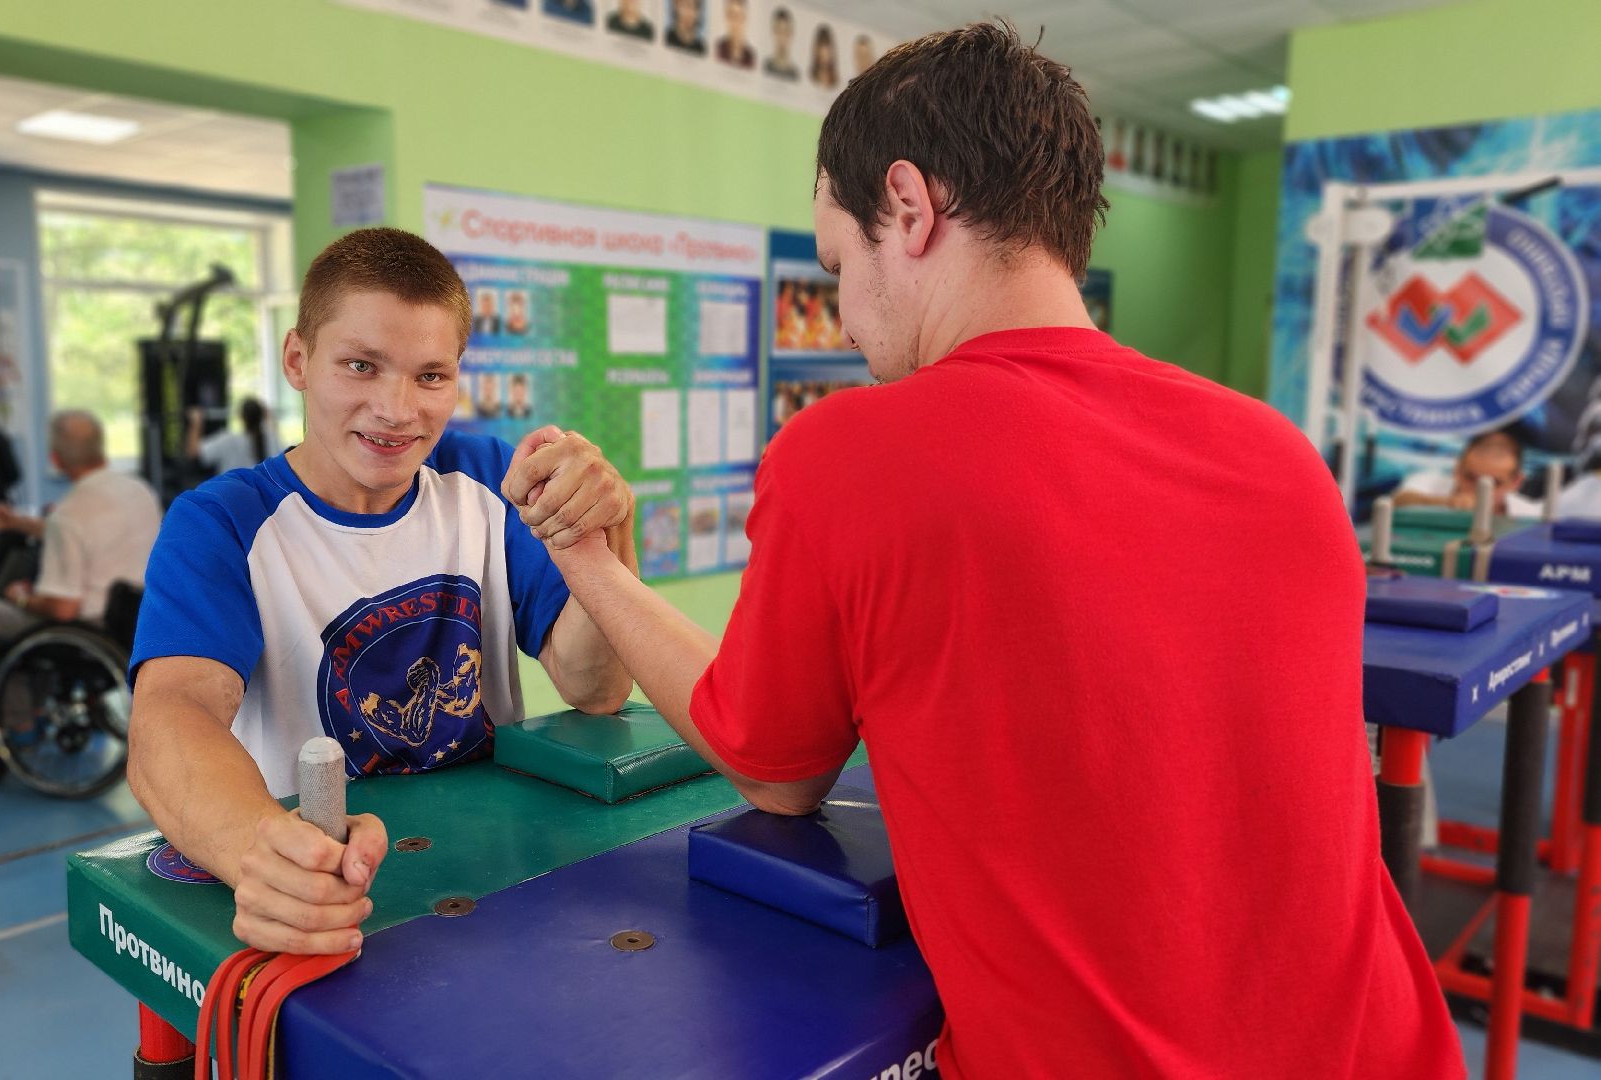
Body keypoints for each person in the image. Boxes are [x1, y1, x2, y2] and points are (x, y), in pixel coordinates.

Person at [507, 24, 1462, 1079]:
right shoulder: (1276, 455)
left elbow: (773, 768)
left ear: (908, 209)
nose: (843, 312)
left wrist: (589, 560)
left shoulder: (850, 450)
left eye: (838, 264)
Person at [123, 228, 636, 956]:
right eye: (361, 366)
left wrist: (606, 536)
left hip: (495, 881)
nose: (397, 410)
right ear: (298, 360)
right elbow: (169, 721)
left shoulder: (489, 478)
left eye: (430, 376)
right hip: (324, 894)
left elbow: (597, 686)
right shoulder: (222, 522)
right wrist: (264, 858)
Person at [0, 410, 162, 748]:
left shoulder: (69, 515)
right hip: (136, 623)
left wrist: (20, 597)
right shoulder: (138, 491)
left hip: (85, 628)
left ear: (55, 458)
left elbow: (63, 608)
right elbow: (90, 535)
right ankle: (24, 709)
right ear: (101, 448)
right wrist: (20, 523)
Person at [1392, 428, 1540, 517]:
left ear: (1516, 482)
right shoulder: (1427, 481)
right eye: (1471, 478)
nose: (1478, 490)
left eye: (1493, 483)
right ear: (1457, 469)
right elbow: (1395, 503)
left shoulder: (1530, 516)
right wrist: (1448, 503)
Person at [187, 397, 280, 476]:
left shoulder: (228, 440)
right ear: (262, 416)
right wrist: (271, 419)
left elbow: (193, 452)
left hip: (230, 495)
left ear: (241, 416)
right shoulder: (271, 440)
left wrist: (196, 423)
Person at [713, 0, 753, 68]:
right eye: (731, 15)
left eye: (738, 16)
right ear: (726, 17)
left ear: (744, 19)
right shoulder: (717, 50)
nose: (734, 23)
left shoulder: (750, 57)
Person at [763, 6, 799, 80]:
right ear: (773, 32)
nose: (782, 37)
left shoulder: (795, 74)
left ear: (791, 34)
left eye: (785, 31)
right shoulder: (765, 67)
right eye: (779, 31)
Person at [807, 23, 837, 90]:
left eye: (827, 46)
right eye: (821, 46)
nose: (824, 52)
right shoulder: (811, 78)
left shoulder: (836, 82)